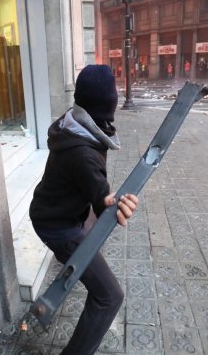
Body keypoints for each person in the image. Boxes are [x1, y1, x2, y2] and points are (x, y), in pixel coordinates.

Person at [29, 64, 139, 355]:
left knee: (90, 237)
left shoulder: (75, 121)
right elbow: (101, 197)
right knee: (109, 296)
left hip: (53, 208)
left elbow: (92, 187)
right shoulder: (83, 153)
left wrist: (103, 200)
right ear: (107, 104)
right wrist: (112, 203)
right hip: (57, 223)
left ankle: (73, 264)